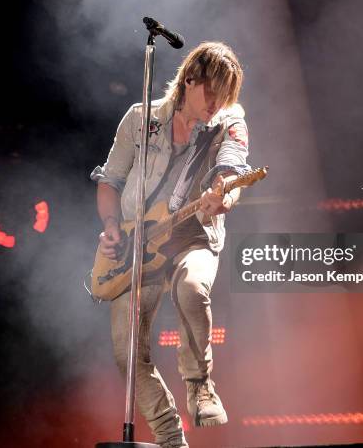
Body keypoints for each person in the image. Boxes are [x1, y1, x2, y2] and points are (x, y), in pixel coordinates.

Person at [91, 41, 250, 448]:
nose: (218, 103)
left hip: (193, 234)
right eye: (211, 92)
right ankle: (170, 439)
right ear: (188, 80)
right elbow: (110, 180)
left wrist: (223, 196)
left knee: (192, 288)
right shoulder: (140, 120)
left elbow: (232, 168)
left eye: (225, 96)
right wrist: (112, 226)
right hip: (137, 245)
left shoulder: (230, 121)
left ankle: (199, 385)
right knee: (129, 354)